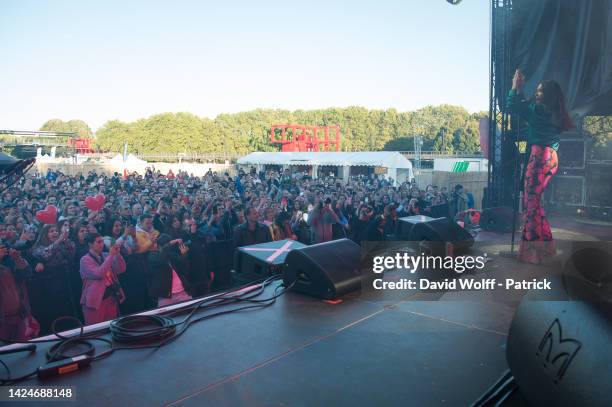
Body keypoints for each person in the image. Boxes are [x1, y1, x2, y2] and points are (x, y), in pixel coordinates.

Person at [507, 69, 573, 264]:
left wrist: (515, 87)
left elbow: (513, 105)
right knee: (535, 204)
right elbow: (523, 105)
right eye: (536, 90)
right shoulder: (555, 112)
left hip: (539, 158)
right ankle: (546, 247)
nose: (537, 93)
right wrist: (521, 93)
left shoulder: (538, 110)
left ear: (548, 95)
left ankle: (533, 253)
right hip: (551, 158)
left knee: (530, 205)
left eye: (541, 91)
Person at [79, 233, 126, 325]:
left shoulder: (105, 255)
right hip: (95, 300)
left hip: (110, 296)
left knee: (111, 326)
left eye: (102, 242)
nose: (102, 244)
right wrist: (111, 255)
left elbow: (121, 269)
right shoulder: (85, 260)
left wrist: (117, 254)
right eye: (99, 242)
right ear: (90, 244)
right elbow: (99, 274)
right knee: (94, 329)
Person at [147, 234, 193, 307]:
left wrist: (184, 255)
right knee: (165, 316)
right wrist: (169, 244)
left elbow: (185, 270)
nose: (169, 248)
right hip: (165, 296)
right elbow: (160, 261)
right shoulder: (152, 256)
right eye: (166, 246)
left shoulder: (171, 255)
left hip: (182, 292)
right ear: (160, 246)